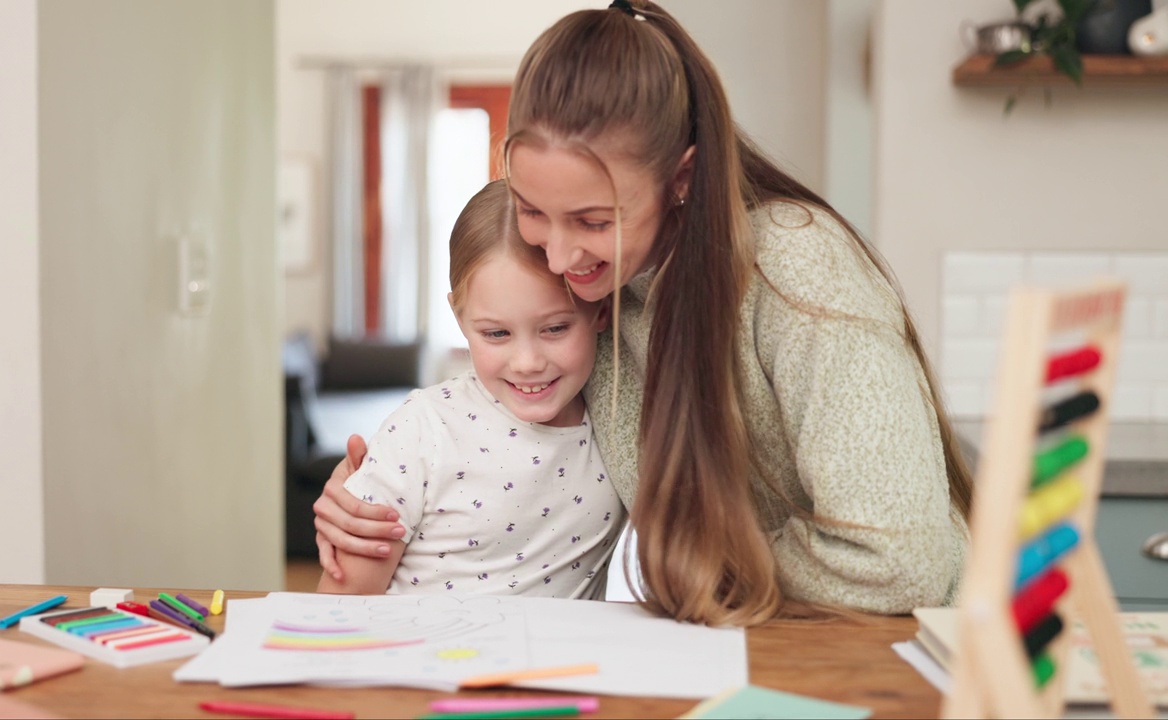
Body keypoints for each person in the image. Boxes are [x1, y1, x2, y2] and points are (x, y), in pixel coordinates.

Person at [315, 0, 972, 624]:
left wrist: (704, 569)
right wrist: (368, 493)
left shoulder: (797, 268)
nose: (561, 256)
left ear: (682, 179)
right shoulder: (597, 289)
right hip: (764, 638)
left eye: (594, 221)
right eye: (534, 210)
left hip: (910, 646)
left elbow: (899, 560)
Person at [316, 180, 624, 598]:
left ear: (601, 310)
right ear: (460, 319)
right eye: (496, 333)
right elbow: (340, 605)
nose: (528, 362)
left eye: (555, 328)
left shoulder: (621, 422)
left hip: (555, 664)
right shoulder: (422, 430)